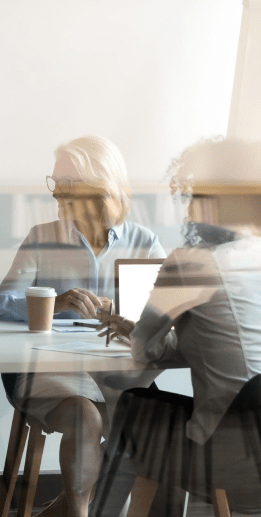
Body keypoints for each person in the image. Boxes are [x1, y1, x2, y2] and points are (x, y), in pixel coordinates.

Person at [0, 135, 165, 517]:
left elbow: (166, 319)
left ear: (100, 185)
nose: (55, 194)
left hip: (117, 372)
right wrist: (56, 302)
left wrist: (127, 315)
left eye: (66, 184)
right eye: (55, 183)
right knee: (86, 417)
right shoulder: (42, 236)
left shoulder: (144, 242)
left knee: (142, 427)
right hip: (51, 368)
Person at [93, 139, 261, 517]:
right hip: (256, 446)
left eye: (192, 197)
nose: (186, 210)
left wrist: (136, 331)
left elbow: (141, 351)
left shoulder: (192, 264)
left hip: (229, 455)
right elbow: (225, 341)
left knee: (134, 409)